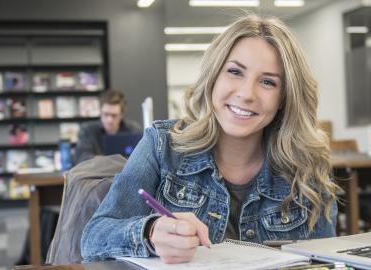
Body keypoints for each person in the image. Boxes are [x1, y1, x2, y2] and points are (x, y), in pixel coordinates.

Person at [80, 14, 340, 263]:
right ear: (213, 76)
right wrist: (149, 232)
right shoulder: (162, 145)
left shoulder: (305, 167)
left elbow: (325, 261)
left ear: (285, 98)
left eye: (268, 82)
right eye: (235, 72)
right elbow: (92, 239)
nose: (246, 94)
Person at [73, 90, 142, 164]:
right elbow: (82, 159)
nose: (109, 120)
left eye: (114, 115)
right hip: (97, 174)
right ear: (100, 112)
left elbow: (141, 158)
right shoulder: (87, 131)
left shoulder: (134, 130)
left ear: (122, 115)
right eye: (106, 114)